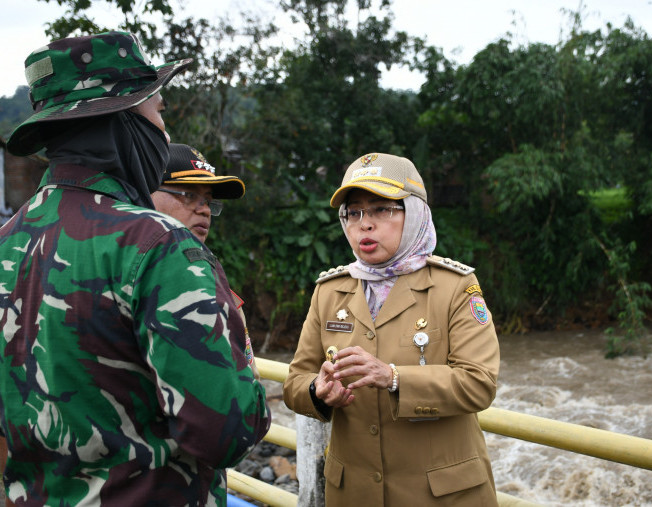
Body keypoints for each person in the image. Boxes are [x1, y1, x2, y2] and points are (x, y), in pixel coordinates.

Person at [0, 32, 270, 506]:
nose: (164, 132)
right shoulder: (157, 244)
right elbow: (226, 431)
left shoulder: (7, 242)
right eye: (159, 111)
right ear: (122, 120)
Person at [282, 152, 500, 505]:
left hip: (441, 496)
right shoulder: (329, 291)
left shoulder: (455, 286)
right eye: (354, 212)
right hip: (353, 494)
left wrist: (394, 377)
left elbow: (479, 383)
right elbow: (295, 382)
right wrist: (317, 390)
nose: (364, 224)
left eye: (382, 209)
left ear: (413, 213)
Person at [152, 142, 260, 379]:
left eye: (208, 201)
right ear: (147, 193)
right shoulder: (120, 276)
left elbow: (248, 377)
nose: (205, 211)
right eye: (189, 195)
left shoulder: (222, 293)